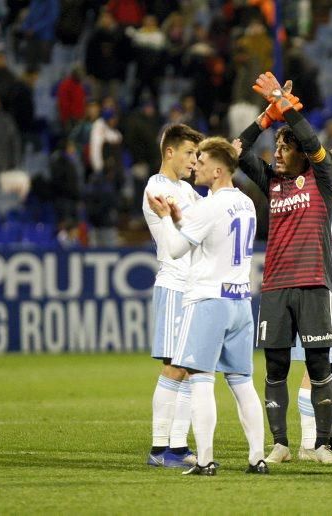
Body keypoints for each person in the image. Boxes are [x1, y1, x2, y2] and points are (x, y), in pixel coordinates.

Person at [236, 72, 332, 464]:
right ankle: (280, 443)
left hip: (313, 283)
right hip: (277, 285)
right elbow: (235, 150)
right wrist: (265, 119)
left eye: (284, 146)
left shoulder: (323, 178)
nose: (277, 152)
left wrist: (285, 103)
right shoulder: (272, 183)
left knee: (317, 363)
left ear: (300, 153)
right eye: (276, 145)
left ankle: (319, 447)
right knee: (276, 365)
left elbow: (313, 142)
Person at [146, 136, 267, 476]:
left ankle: (204, 460)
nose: (195, 166)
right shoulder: (246, 203)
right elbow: (213, 233)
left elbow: (173, 249)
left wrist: (167, 220)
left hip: (208, 301)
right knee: (243, 383)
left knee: (200, 380)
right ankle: (257, 458)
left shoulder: (209, 206)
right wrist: (180, 217)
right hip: (240, 303)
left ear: (217, 171)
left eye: (201, 163)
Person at [142, 124, 203, 469]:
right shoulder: (158, 187)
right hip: (175, 283)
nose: (194, 161)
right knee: (175, 366)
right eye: (190, 153)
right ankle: (159, 447)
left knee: (190, 368)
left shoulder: (187, 190)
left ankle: (177, 447)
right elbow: (189, 230)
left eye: (197, 155)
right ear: (170, 152)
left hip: (192, 285)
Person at [294, 149, 332, 463]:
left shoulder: (331, 211)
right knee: (315, 373)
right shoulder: (317, 209)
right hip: (320, 302)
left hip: (329, 303)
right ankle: (309, 445)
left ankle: (310, 444)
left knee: (320, 373)